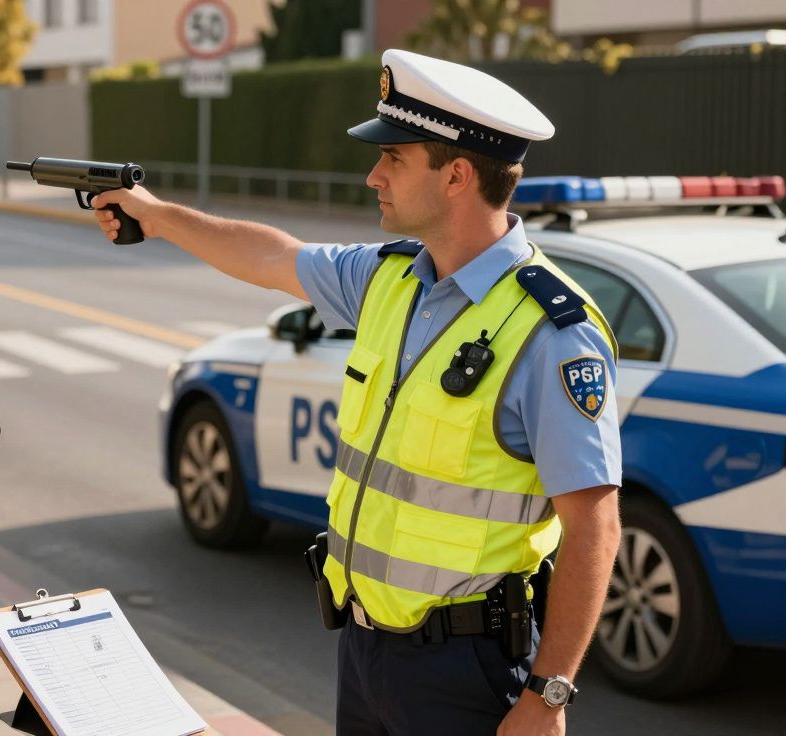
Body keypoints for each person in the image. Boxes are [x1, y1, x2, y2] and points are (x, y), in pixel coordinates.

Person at [91, 49, 622, 736]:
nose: (374, 175)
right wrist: (157, 216)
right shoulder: (390, 278)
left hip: (470, 671)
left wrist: (547, 698)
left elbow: (595, 528)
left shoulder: (552, 333)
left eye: (393, 159)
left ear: (457, 174)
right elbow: (272, 256)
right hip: (364, 648)